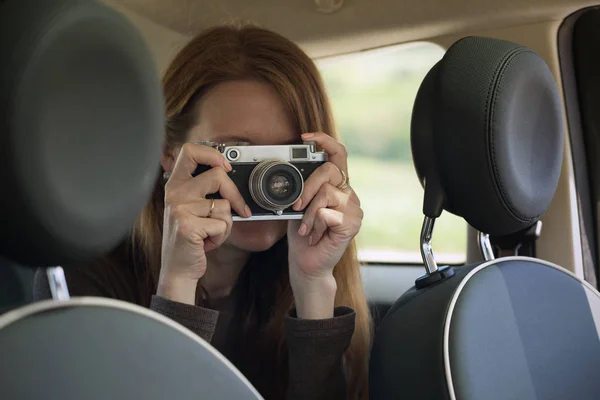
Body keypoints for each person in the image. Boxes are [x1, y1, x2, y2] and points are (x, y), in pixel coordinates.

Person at [34, 23, 371, 399]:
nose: (272, 180)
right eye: (239, 154)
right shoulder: (87, 281)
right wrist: (177, 283)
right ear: (168, 151)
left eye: (289, 156)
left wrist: (313, 288)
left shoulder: (291, 278)